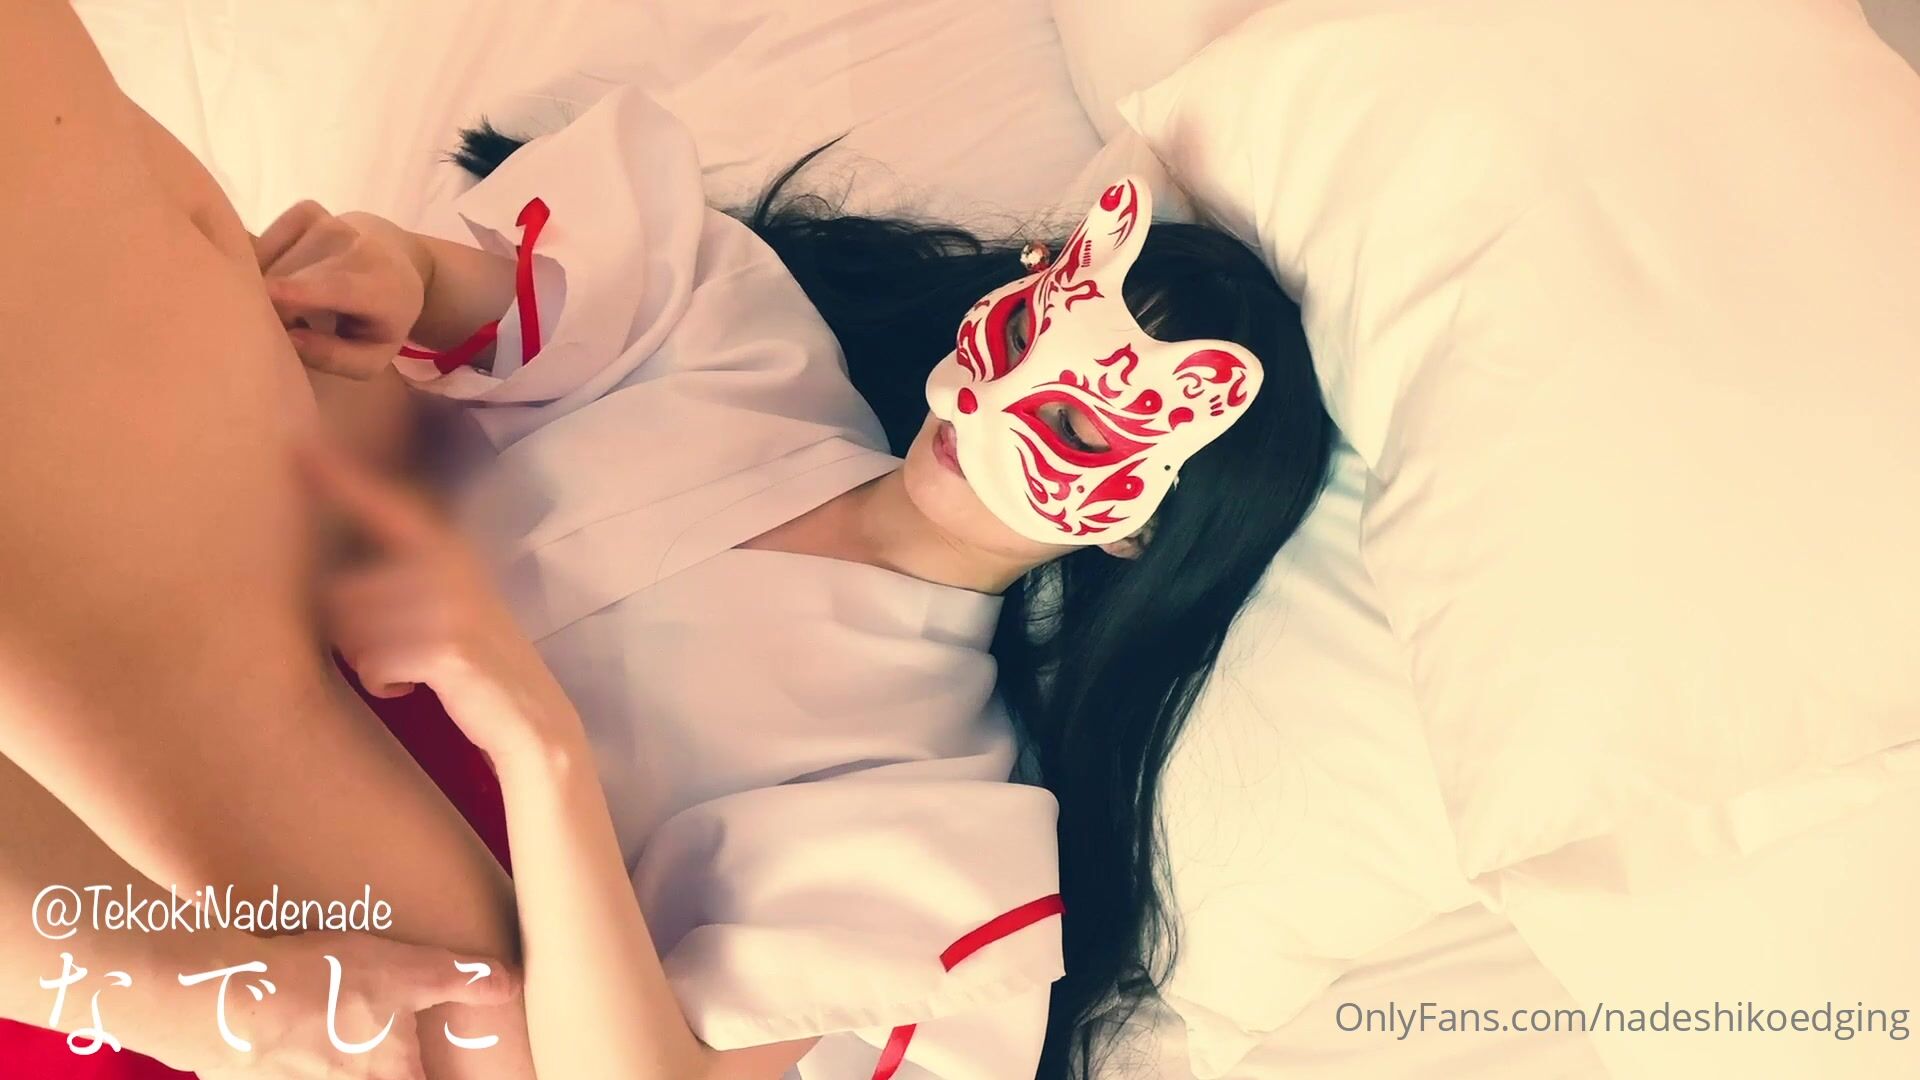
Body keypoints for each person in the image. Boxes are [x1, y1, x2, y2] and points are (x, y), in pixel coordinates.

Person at [0, 8, 1332, 1075]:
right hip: (217, 648)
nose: (992, 398)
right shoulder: (751, 343)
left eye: (1077, 424)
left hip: (375, 924)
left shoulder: (935, 803)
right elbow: (496, 295)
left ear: (1138, 536)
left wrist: (534, 739)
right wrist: (397, 272)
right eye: (1032, 324)